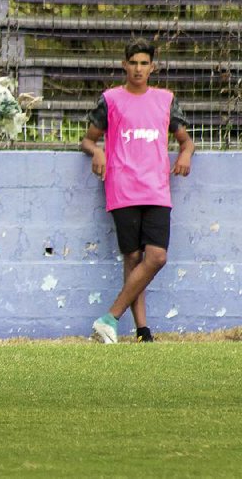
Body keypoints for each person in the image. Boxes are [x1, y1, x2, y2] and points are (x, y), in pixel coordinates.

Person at [81, 38, 194, 344]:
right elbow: (88, 139)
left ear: (152, 67)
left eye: (145, 63)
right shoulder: (110, 100)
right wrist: (97, 151)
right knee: (132, 258)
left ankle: (109, 318)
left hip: (157, 189)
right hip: (122, 188)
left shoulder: (165, 100)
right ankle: (142, 331)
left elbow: (186, 140)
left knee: (156, 257)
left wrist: (185, 153)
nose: (139, 69)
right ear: (124, 65)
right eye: (133, 63)